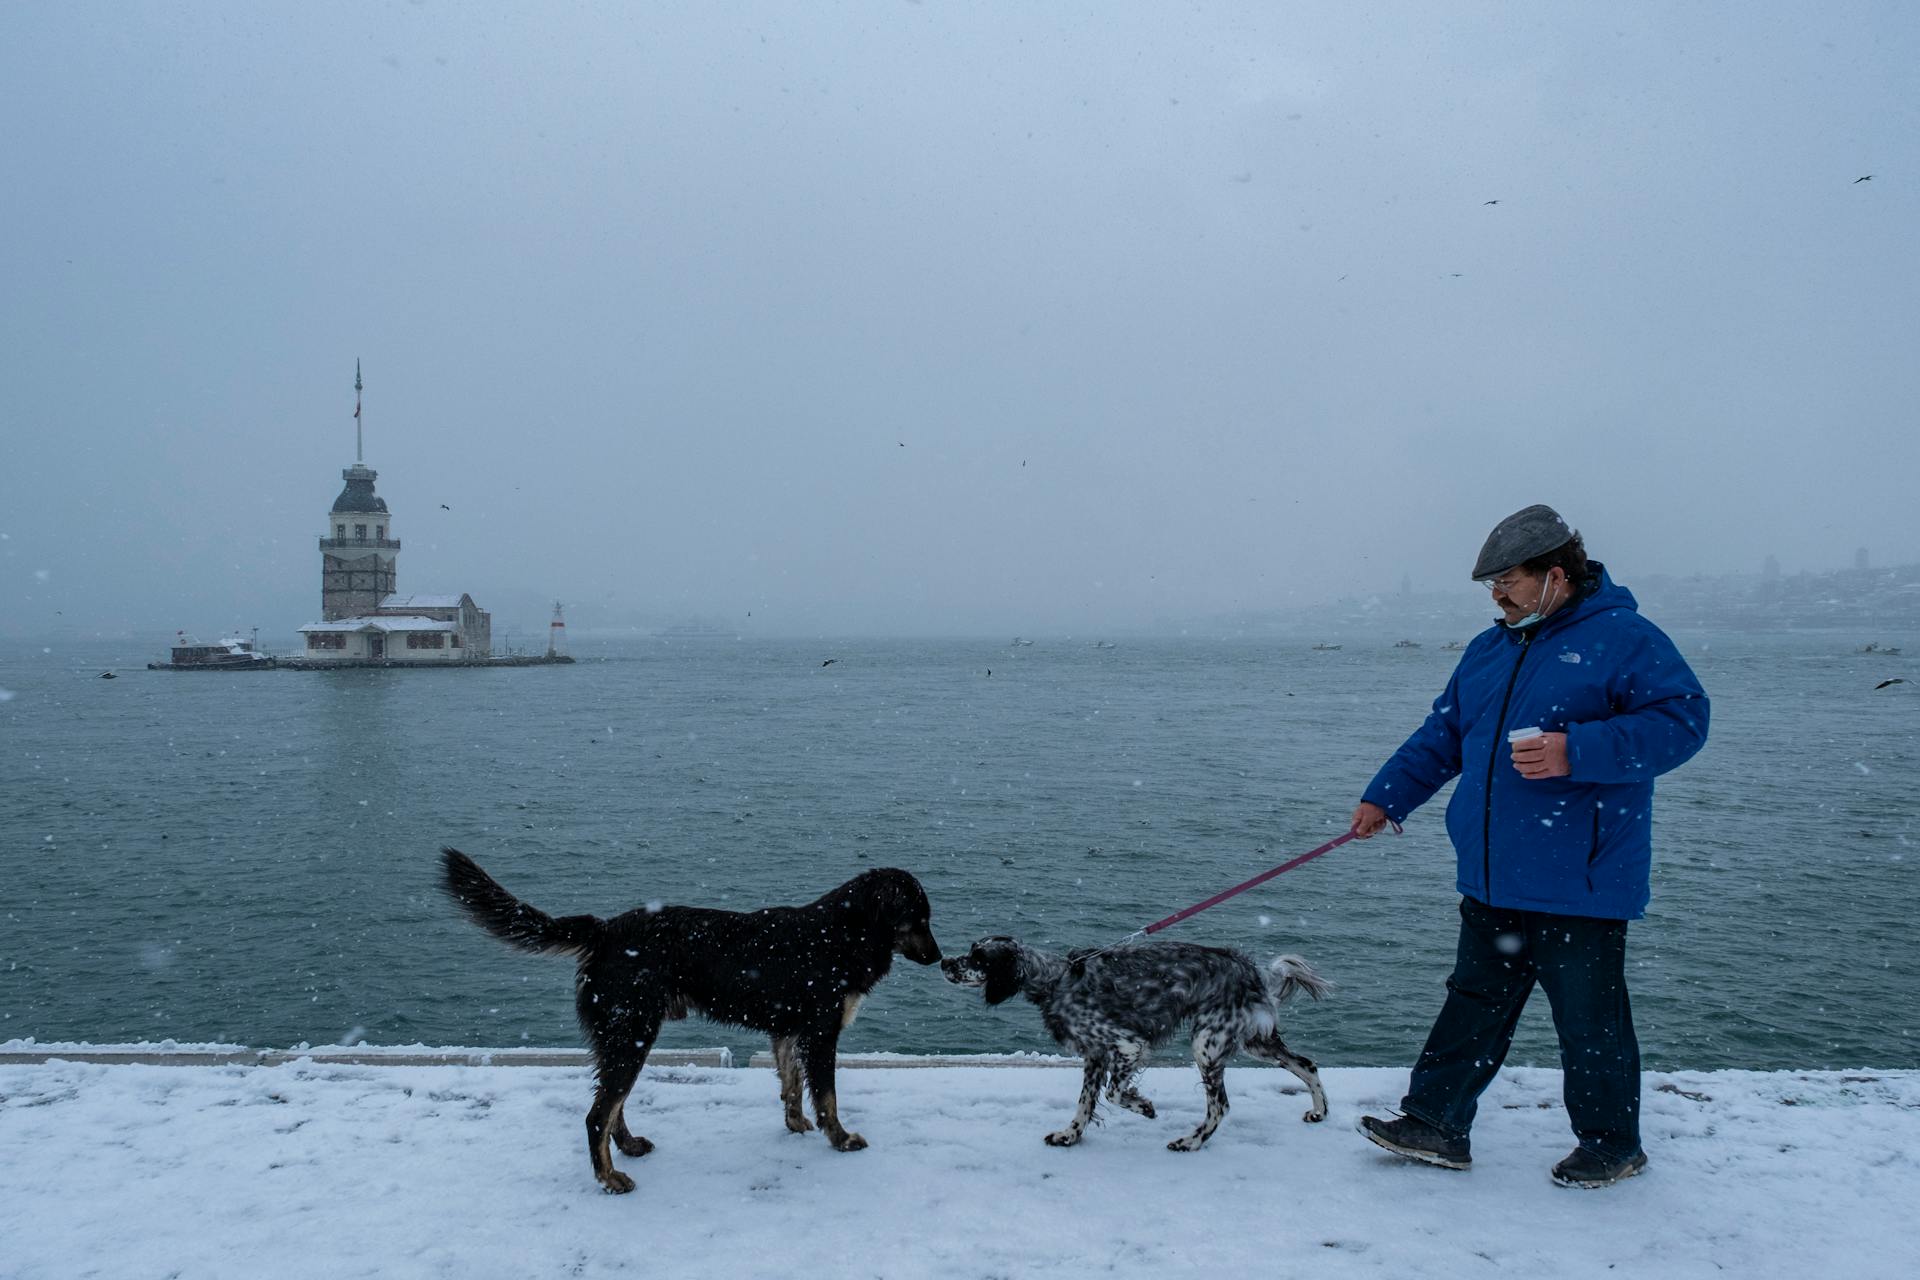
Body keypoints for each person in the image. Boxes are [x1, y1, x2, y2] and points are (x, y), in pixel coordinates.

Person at [1350, 504, 1709, 1188]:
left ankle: (1611, 1146)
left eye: (1508, 581)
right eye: (1490, 584)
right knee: (1472, 1000)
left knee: (1589, 1017)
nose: (1497, 595)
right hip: (1492, 872)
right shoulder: (1491, 649)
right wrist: (1385, 797)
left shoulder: (1625, 638)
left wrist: (1580, 749)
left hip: (1581, 876)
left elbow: (1685, 722)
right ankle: (1435, 1123)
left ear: (1554, 575)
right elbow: (1443, 736)